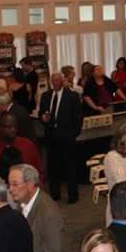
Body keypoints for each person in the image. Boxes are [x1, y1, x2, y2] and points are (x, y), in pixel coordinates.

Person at [39, 70, 83, 204]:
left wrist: (73, 133)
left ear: (63, 81)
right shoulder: (46, 96)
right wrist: (43, 118)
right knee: (53, 167)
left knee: (70, 167)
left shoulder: (72, 96)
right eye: (53, 81)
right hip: (51, 136)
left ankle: (73, 195)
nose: (55, 83)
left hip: (67, 136)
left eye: (58, 80)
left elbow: (78, 117)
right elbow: (41, 113)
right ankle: (55, 194)